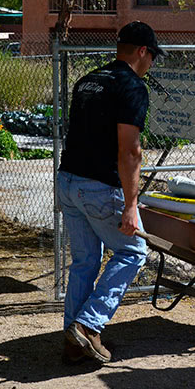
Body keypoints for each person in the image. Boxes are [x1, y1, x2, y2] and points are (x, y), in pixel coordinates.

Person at [57, 21, 166, 364]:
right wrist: (131, 205)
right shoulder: (131, 86)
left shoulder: (88, 81)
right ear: (142, 52)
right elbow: (129, 150)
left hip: (68, 181)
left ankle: (75, 342)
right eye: (152, 58)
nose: (151, 66)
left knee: (86, 261)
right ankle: (89, 326)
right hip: (98, 186)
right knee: (134, 250)